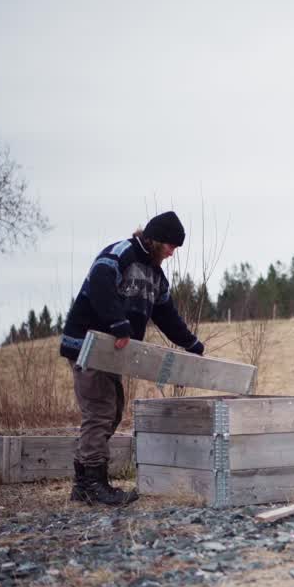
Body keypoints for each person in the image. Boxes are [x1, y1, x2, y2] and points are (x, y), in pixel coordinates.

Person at [59, 211, 205, 506]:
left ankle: (83, 482)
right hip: (88, 346)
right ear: (154, 239)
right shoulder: (119, 254)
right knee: (100, 412)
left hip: (111, 355)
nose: (171, 253)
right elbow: (100, 287)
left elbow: (166, 315)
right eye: (169, 246)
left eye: (175, 248)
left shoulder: (155, 275)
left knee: (111, 412)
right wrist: (118, 324)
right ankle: (92, 484)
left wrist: (190, 343)